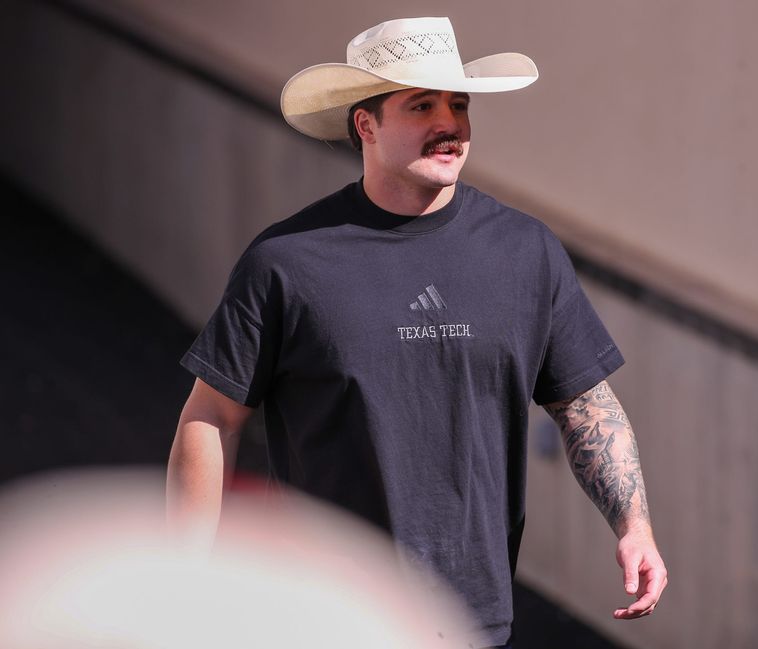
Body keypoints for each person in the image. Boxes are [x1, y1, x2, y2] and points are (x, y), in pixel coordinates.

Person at [167, 16, 667, 649]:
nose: (450, 123)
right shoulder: (287, 261)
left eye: (459, 105)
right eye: (421, 104)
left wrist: (635, 527)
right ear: (366, 124)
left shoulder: (525, 251)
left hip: (470, 620)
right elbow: (211, 417)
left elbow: (585, 403)